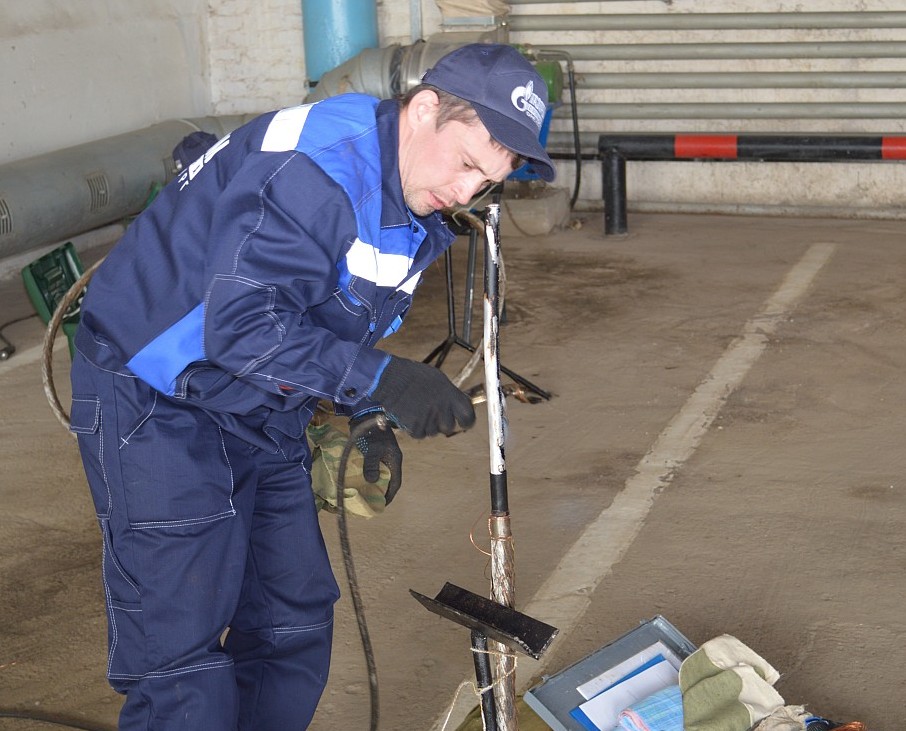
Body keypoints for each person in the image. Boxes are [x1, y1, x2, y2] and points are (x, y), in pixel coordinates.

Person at [69, 42, 555, 730]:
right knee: (182, 658)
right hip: (160, 395)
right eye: (469, 163)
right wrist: (379, 378)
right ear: (423, 110)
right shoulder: (321, 170)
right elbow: (238, 327)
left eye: (489, 180)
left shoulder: (406, 180)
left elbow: (313, 298)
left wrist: (337, 394)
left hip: (261, 401)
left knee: (289, 617)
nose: (469, 191)